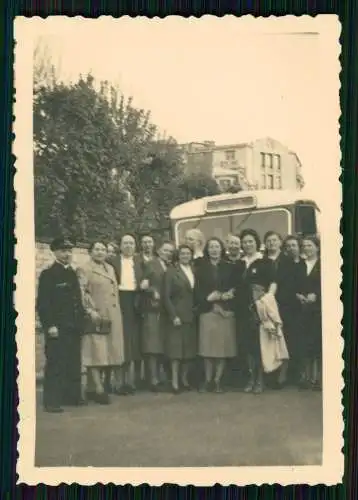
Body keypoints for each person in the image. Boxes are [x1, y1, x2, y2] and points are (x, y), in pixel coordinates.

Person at [36, 237, 86, 413]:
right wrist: (50, 325)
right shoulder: (48, 275)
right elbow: (43, 304)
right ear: (55, 252)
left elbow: (77, 300)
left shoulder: (72, 273)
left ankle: (72, 396)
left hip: (73, 325)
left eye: (69, 250)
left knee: (73, 361)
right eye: (64, 251)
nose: (67, 254)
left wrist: (81, 321)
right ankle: (51, 401)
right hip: (57, 327)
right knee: (56, 362)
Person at [78, 241, 125, 405]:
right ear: (90, 252)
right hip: (97, 315)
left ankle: (92, 388)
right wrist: (90, 310)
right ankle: (98, 389)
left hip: (112, 315)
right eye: (96, 249)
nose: (100, 252)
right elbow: (81, 292)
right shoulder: (84, 268)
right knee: (95, 351)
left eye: (103, 249)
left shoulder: (110, 268)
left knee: (108, 351)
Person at [195, 237, 237, 393]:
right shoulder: (200, 268)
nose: (214, 250)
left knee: (221, 350)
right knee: (207, 350)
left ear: (221, 249)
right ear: (207, 250)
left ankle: (218, 381)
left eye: (217, 247)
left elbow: (235, 286)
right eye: (211, 247)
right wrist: (208, 300)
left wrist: (229, 294)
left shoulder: (229, 267)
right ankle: (207, 381)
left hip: (224, 311)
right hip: (207, 311)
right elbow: (197, 291)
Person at [238, 229, 277, 394]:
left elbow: (273, 283)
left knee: (259, 344)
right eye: (245, 242)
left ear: (256, 243)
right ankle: (251, 378)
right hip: (242, 309)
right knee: (246, 345)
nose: (247, 245)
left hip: (259, 309)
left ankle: (260, 380)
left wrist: (266, 300)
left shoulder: (265, 262)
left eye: (250, 242)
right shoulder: (240, 263)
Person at [110, 233, 143, 394]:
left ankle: (129, 381)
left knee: (131, 342)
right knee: (119, 340)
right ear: (120, 246)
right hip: (118, 299)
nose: (129, 246)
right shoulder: (113, 261)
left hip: (134, 301)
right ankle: (117, 382)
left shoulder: (140, 261)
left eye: (131, 243)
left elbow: (147, 278)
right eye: (125, 243)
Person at [140, 240, 175, 391]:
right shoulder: (151, 264)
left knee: (162, 345)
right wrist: (152, 291)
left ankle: (161, 377)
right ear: (159, 251)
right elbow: (143, 284)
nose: (168, 253)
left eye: (170, 251)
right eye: (165, 250)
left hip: (166, 310)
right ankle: (152, 379)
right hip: (153, 308)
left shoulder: (171, 266)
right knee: (152, 345)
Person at [164, 244, 197, 393]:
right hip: (177, 315)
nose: (185, 256)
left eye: (188, 253)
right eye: (183, 253)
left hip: (191, 315)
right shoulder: (171, 272)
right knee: (176, 352)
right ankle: (175, 382)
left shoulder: (194, 270)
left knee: (188, 351)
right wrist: (173, 315)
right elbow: (166, 296)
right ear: (178, 256)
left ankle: (184, 380)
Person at [262, 230, 291, 387]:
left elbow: (290, 283)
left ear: (280, 242)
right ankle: (271, 372)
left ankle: (283, 375)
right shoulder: (263, 261)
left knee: (283, 339)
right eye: (269, 241)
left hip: (284, 304)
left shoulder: (287, 260)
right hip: (266, 305)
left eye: (274, 240)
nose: (272, 243)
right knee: (270, 338)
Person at [296, 235, 322, 390]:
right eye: (304, 246)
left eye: (310, 245)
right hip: (302, 309)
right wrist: (298, 295)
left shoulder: (323, 264)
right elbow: (294, 284)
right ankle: (305, 377)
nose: (306, 248)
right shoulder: (299, 265)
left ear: (317, 247)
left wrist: (317, 295)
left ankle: (316, 378)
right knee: (304, 343)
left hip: (317, 310)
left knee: (316, 344)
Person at [281, 235, 307, 384]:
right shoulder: (285, 265)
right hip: (288, 307)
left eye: (294, 245)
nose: (291, 248)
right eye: (288, 246)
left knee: (301, 341)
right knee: (288, 340)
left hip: (303, 308)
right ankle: (286, 375)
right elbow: (284, 286)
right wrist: (295, 295)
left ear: (299, 247)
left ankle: (301, 375)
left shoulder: (304, 264)